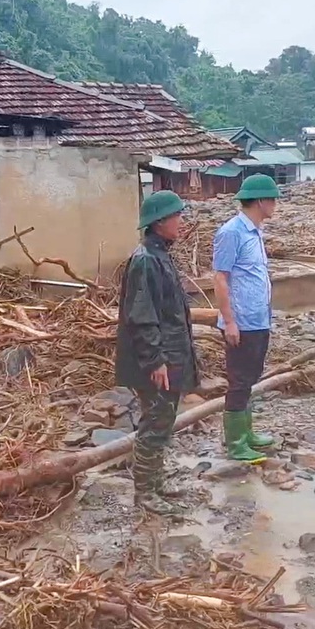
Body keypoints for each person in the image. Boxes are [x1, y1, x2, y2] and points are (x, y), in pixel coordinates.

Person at [115, 190, 199, 516]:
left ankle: (157, 482)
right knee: (155, 423)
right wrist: (155, 361)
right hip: (157, 361)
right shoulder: (146, 260)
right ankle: (144, 494)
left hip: (170, 356)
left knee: (163, 421)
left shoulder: (160, 255)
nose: (181, 221)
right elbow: (142, 316)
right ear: (159, 222)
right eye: (176, 216)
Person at [212, 174, 281, 462]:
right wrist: (229, 321)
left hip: (258, 319)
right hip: (241, 323)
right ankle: (236, 443)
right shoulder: (232, 232)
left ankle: (248, 433)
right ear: (261, 201)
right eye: (273, 199)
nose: (276, 205)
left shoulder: (254, 231)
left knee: (250, 378)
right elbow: (220, 277)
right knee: (239, 381)